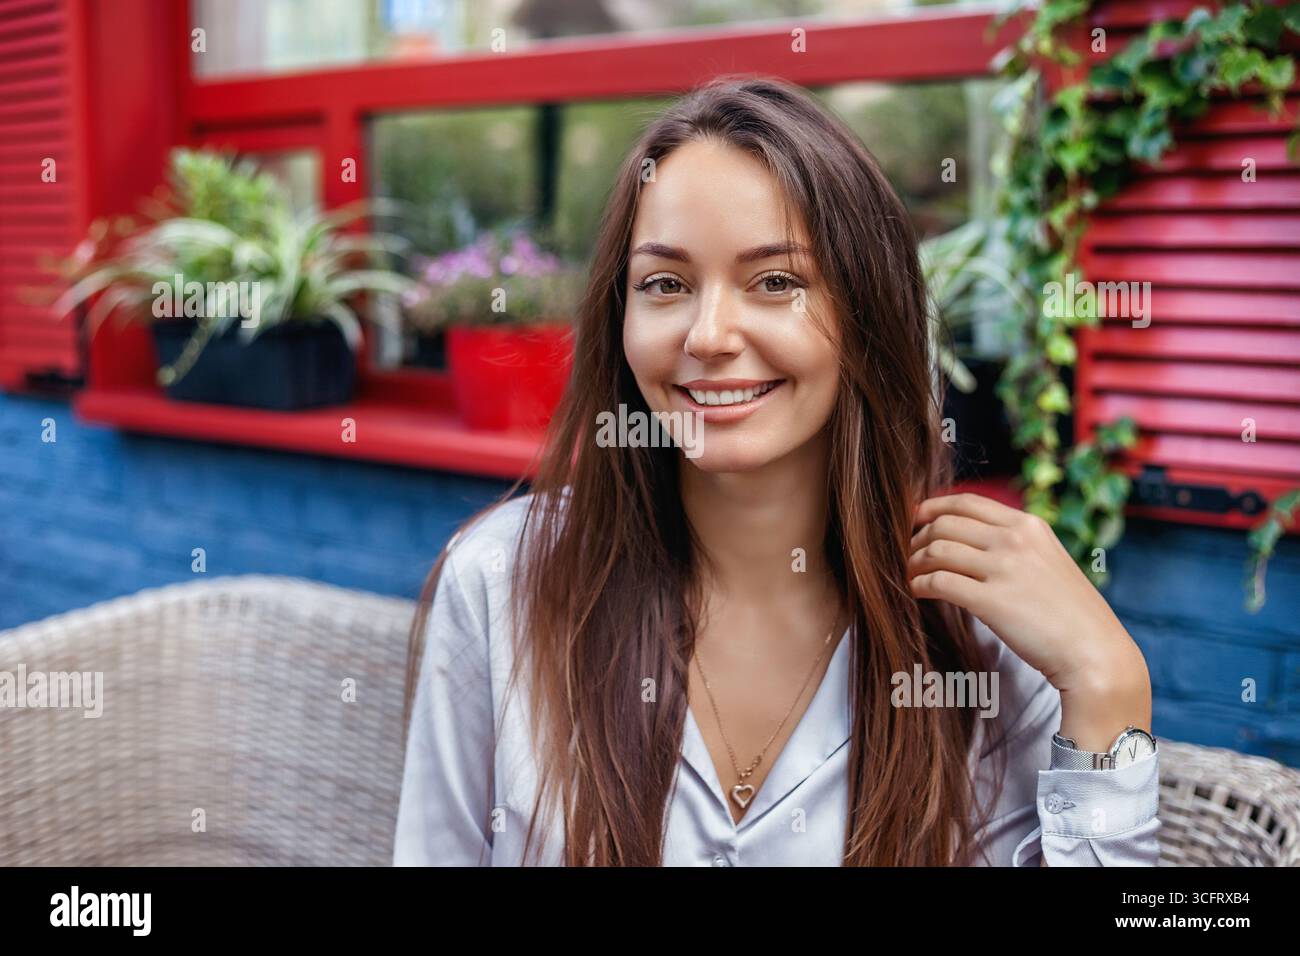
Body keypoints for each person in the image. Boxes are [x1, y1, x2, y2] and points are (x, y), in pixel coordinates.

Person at [393, 76, 1160, 866]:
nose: (710, 334)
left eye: (776, 282)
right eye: (666, 284)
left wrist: (1108, 687)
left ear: (866, 316)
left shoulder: (985, 632)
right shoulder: (501, 580)